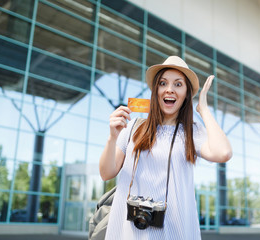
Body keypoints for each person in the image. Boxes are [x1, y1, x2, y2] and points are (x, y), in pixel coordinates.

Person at [99, 56, 232, 239]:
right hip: (130, 230)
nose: (169, 90)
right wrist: (112, 137)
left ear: (186, 94)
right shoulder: (133, 128)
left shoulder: (191, 132)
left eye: (178, 84)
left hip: (173, 231)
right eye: (163, 83)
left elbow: (223, 152)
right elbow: (106, 173)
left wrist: (204, 110)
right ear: (156, 90)